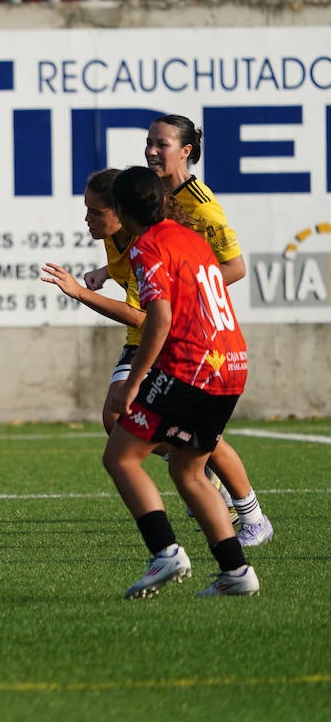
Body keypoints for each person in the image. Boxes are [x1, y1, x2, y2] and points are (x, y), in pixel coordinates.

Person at [100, 166, 258, 598]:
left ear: (121, 210)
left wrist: (134, 383)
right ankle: (237, 573)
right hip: (233, 362)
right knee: (189, 471)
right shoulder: (189, 236)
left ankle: (165, 552)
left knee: (121, 457)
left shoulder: (147, 245)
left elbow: (160, 319)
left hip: (195, 365)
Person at [143, 113, 272, 548]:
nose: (152, 151)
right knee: (167, 430)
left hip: (202, 338)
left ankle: (246, 513)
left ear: (187, 151)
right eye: (149, 142)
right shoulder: (156, 195)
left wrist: (185, 287)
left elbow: (234, 267)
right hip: (176, 332)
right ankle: (221, 499)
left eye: (162, 144)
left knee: (169, 429)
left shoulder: (200, 203)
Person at [40, 169, 146, 434]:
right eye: (87, 210)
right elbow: (127, 267)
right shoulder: (113, 235)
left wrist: (79, 292)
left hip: (170, 339)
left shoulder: (146, 245)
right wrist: (106, 271)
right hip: (140, 338)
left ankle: (194, 459)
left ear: (121, 211)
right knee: (115, 419)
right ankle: (194, 462)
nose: (88, 219)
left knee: (123, 436)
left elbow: (137, 315)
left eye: (96, 213)